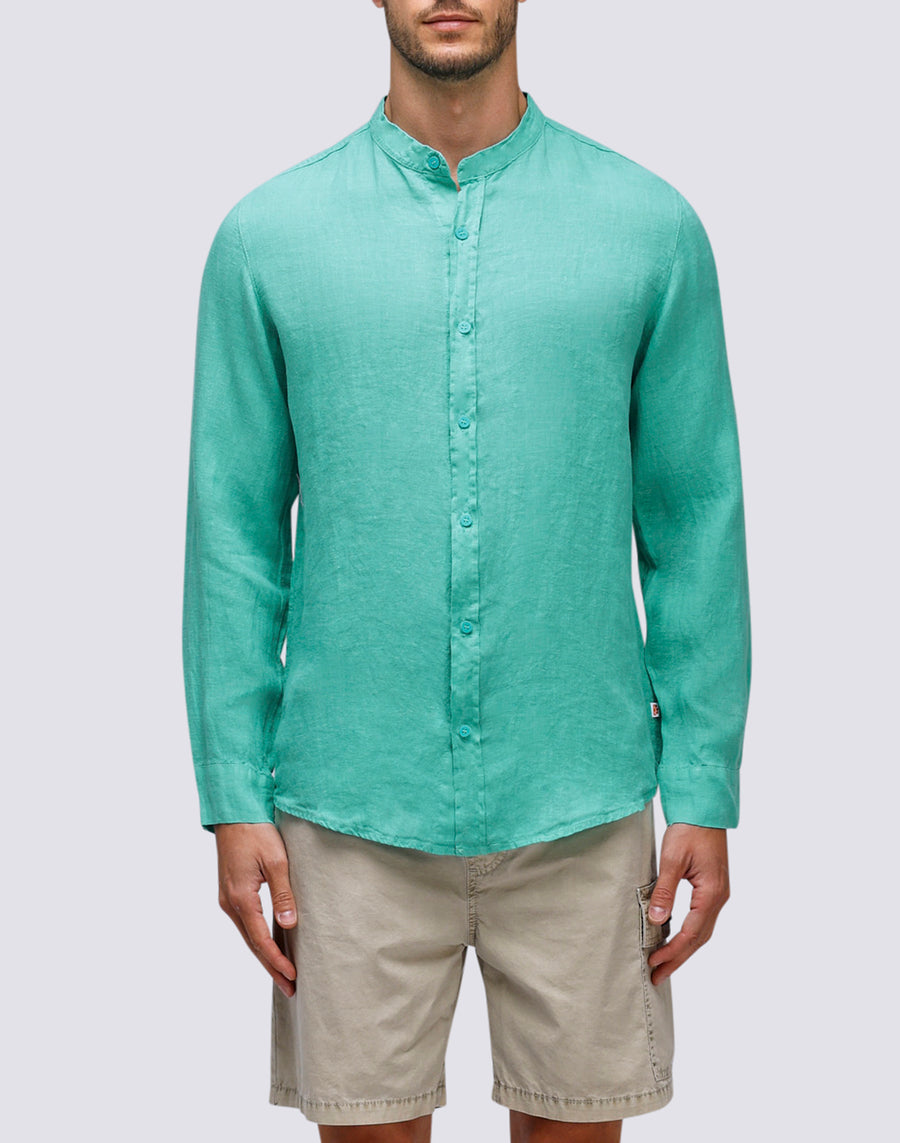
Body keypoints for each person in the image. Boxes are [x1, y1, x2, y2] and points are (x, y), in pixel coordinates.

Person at [181, 2, 752, 1140]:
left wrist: (704, 783)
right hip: (345, 815)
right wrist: (232, 796)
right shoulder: (267, 239)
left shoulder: (649, 228)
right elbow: (232, 534)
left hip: (584, 806)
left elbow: (695, 520)